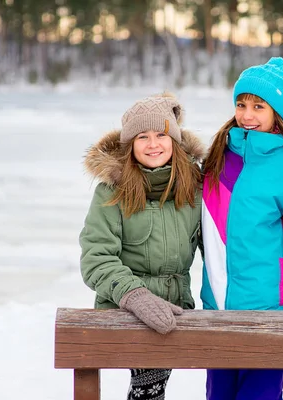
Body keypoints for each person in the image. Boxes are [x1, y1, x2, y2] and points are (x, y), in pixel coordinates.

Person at [79, 92, 205, 400]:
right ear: (130, 144)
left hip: (175, 310)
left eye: (161, 134)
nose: (153, 144)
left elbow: (219, 243)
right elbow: (96, 258)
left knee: (152, 389)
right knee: (147, 389)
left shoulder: (195, 185)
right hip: (126, 310)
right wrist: (134, 296)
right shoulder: (112, 191)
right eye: (142, 137)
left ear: (174, 140)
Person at [200, 57, 283, 400]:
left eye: (258, 106)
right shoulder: (218, 155)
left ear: (276, 111)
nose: (247, 115)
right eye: (241, 104)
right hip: (217, 304)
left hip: (267, 309)